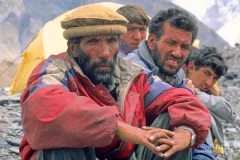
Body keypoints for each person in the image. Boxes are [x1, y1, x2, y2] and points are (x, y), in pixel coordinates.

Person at [19, 4, 211, 160]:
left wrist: (186, 133)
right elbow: (45, 106)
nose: (105, 53)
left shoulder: (134, 75)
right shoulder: (55, 69)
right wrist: (120, 128)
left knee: (173, 127)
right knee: (61, 143)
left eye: (111, 41)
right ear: (74, 48)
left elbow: (184, 100)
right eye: (93, 42)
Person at [124, 7, 212, 158]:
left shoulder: (177, 75)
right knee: (173, 115)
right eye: (171, 43)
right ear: (152, 41)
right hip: (129, 152)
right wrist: (190, 96)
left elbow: (196, 118)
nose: (177, 53)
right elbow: (171, 99)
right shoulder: (132, 67)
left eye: (184, 47)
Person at [183, 46, 240, 159]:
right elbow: (225, 109)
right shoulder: (179, 85)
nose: (209, 83)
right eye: (207, 73)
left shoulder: (207, 93)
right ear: (191, 67)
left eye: (215, 78)